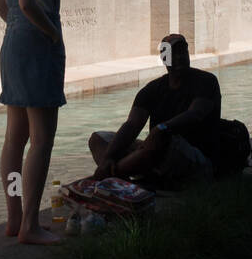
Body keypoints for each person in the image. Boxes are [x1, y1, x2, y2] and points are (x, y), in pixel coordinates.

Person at [0, 0, 66, 244]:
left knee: (14, 140)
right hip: (36, 48)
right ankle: (30, 227)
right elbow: (23, 0)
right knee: (41, 141)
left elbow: (0, 4)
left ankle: (14, 219)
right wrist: (49, 32)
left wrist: (19, 26)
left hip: (13, 45)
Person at [88, 34, 221, 189]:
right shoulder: (152, 89)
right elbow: (132, 125)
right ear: (164, 59)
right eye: (172, 53)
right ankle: (115, 173)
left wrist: (161, 129)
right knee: (98, 139)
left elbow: (195, 114)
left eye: (182, 52)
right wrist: (109, 157)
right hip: (156, 151)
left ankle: (112, 176)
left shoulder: (206, 81)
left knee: (163, 137)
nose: (179, 57)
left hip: (197, 158)